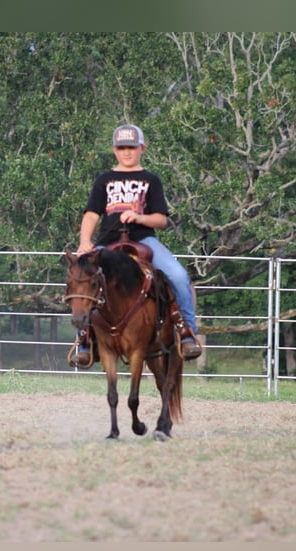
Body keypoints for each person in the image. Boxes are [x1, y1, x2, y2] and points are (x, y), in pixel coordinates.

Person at [69, 123, 202, 368]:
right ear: (114, 150)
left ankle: (187, 333)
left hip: (143, 240)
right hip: (108, 243)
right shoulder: (104, 180)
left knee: (179, 275)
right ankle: (84, 340)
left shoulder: (151, 180)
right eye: (121, 148)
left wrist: (139, 217)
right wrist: (85, 241)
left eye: (131, 147)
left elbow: (161, 220)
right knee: (81, 276)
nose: (126, 152)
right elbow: (91, 214)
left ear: (142, 148)